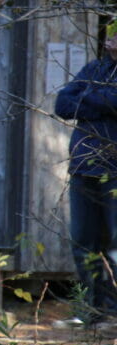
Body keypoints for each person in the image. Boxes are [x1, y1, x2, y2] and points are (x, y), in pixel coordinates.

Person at [53, 23, 117, 328]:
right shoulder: (94, 68)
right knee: (83, 241)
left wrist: (90, 99)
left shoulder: (93, 79)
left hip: (114, 172)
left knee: (115, 244)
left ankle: (114, 313)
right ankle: (90, 312)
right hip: (83, 169)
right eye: (111, 34)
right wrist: (102, 101)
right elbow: (62, 104)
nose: (111, 40)